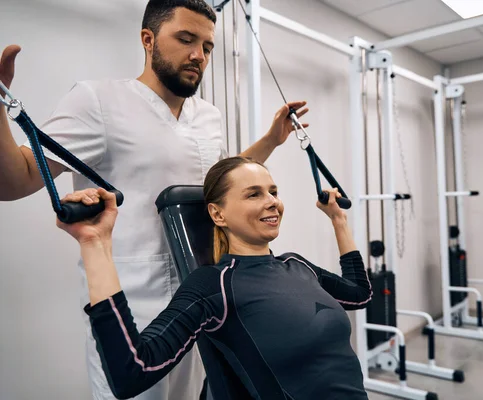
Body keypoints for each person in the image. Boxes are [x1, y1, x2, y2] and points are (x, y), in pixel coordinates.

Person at [0, 1, 309, 399]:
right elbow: (16, 179)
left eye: (207, 46)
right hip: (129, 311)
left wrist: (272, 139)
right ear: (148, 40)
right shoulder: (97, 101)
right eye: (185, 39)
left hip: (200, 304)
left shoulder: (208, 117)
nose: (198, 54)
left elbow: (220, 182)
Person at [57, 156, 372, 399]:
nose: (272, 201)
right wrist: (95, 244)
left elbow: (360, 293)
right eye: (254, 194)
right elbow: (132, 370)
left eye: (273, 192)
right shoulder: (213, 285)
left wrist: (339, 221)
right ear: (218, 214)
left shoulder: (297, 265)